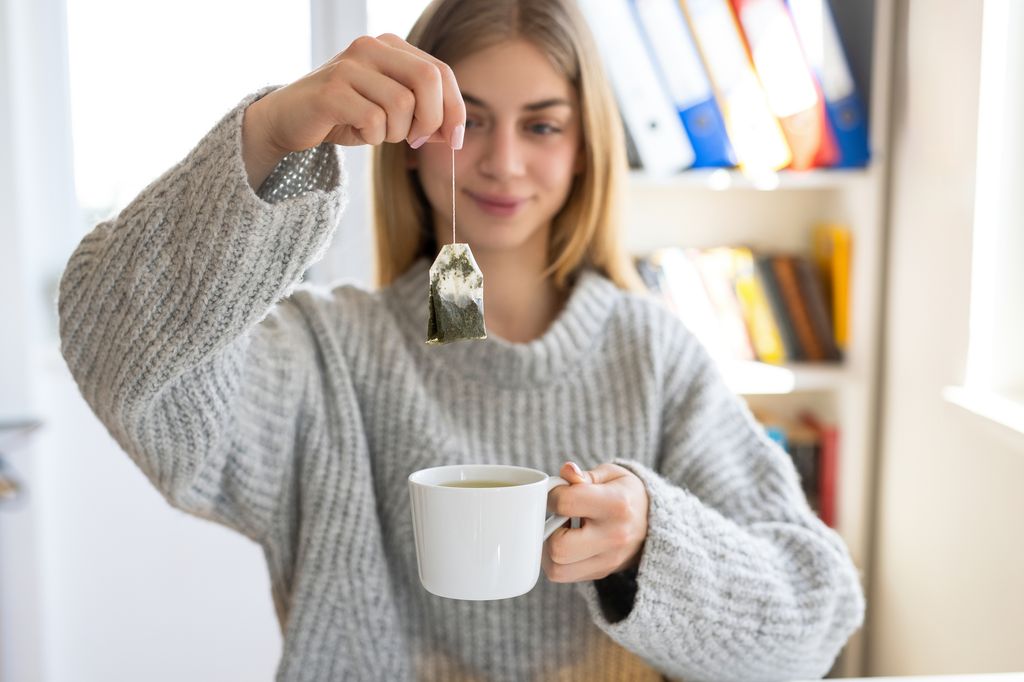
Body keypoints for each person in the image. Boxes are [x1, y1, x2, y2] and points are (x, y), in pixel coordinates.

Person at [58, 0, 865, 679]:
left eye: (542, 127)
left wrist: (656, 540)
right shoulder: (327, 354)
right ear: (409, 145)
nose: (503, 162)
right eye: (467, 122)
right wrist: (266, 136)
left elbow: (813, 619)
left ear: (585, 151)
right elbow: (112, 348)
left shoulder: (652, 354)